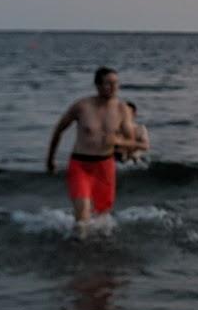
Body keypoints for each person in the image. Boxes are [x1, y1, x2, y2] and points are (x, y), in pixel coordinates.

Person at [46, 66, 137, 229]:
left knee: (102, 219)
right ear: (98, 85)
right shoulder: (81, 106)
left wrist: (119, 142)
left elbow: (131, 142)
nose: (114, 87)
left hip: (105, 167)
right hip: (81, 165)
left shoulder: (122, 109)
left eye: (116, 83)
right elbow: (58, 130)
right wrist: (50, 160)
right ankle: (77, 247)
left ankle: (96, 251)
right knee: (82, 220)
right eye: (108, 83)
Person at [116, 101, 150, 165]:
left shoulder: (140, 129)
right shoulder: (115, 129)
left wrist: (124, 143)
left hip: (133, 157)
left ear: (134, 114)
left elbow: (146, 146)